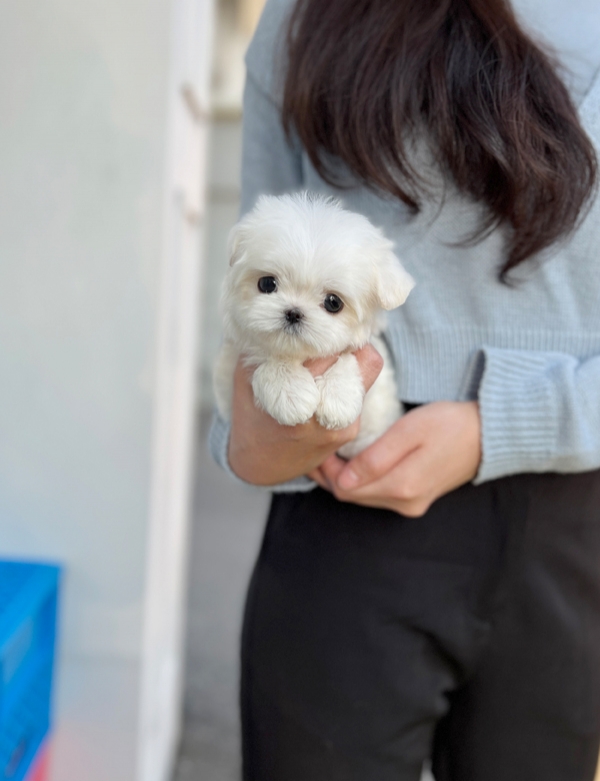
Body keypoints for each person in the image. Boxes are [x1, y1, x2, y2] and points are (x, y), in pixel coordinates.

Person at [209, 0, 600, 778]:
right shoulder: (301, 17)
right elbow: (248, 290)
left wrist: (502, 425)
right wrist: (247, 438)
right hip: (343, 483)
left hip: (569, 513)